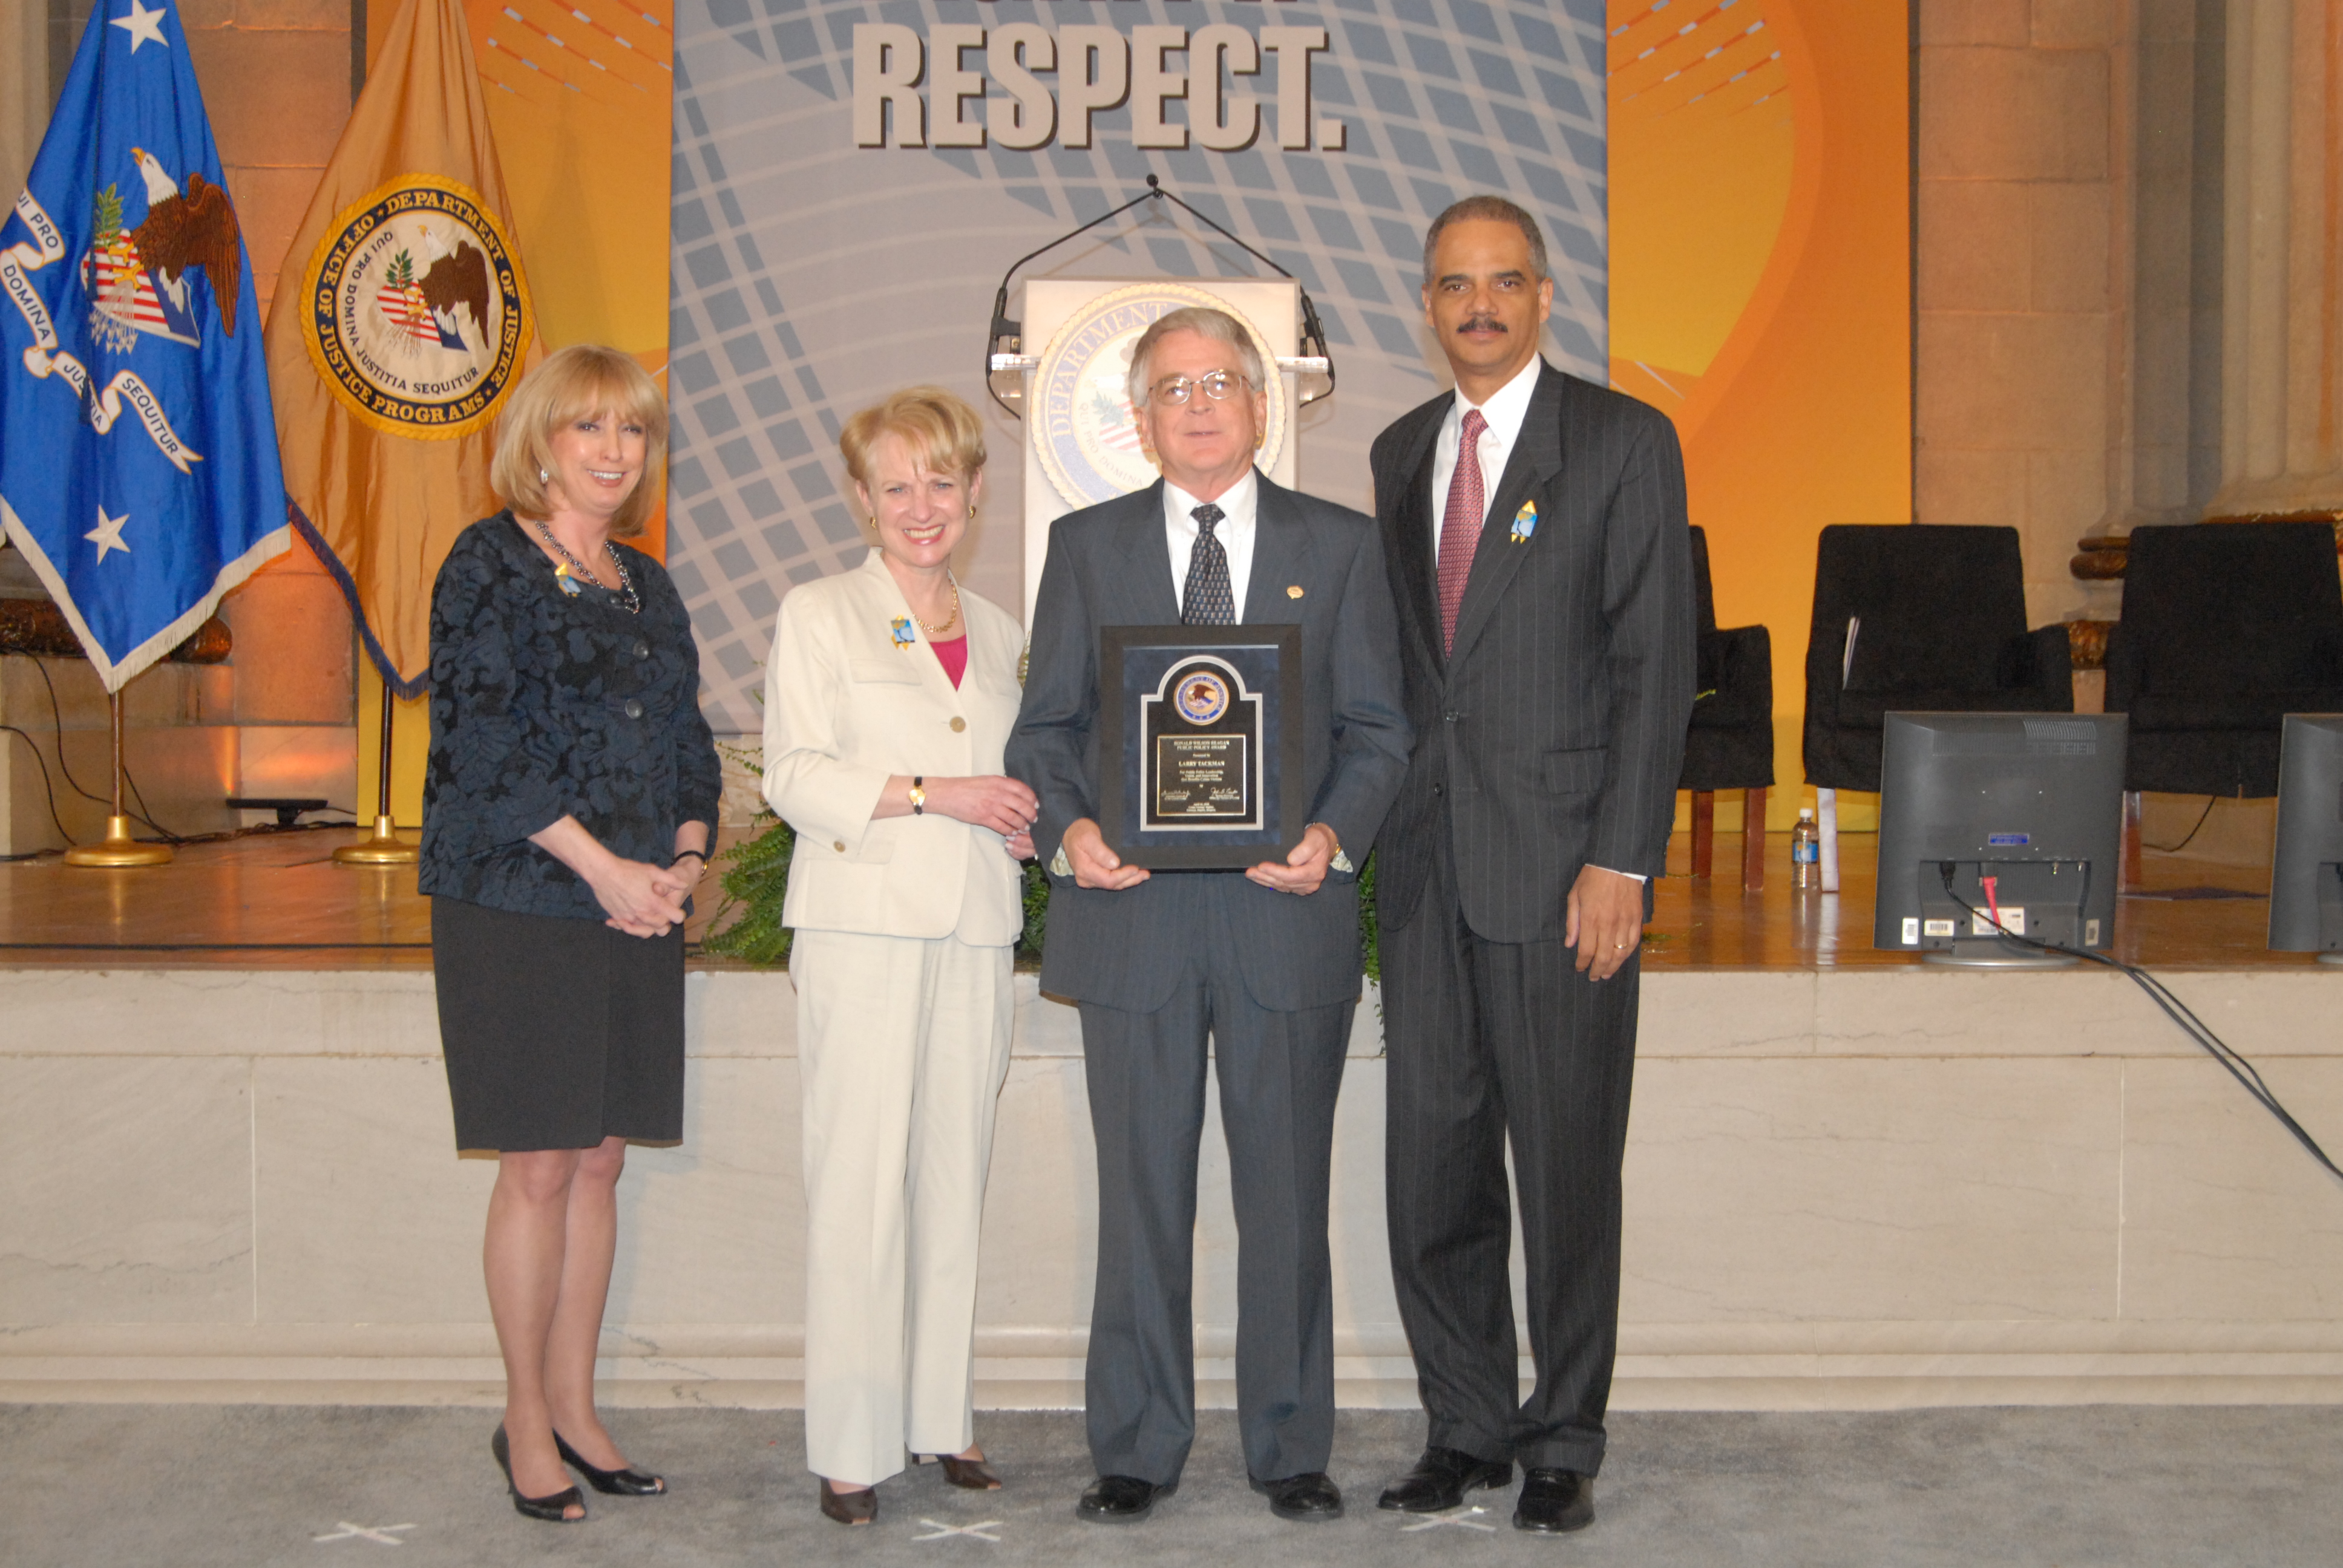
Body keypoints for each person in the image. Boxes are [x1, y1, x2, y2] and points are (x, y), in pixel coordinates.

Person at [1008, 307, 1411, 1526]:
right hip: (1131, 921)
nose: (1198, 404)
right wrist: (1071, 830)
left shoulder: (1340, 547)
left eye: (1220, 382)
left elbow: (1378, 731)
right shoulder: (1086, 547)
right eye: (1174, 388)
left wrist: (1331, 837)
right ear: (1141, 420)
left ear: (1261, 405)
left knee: (1286, 1197)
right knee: (1141, 1198)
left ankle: (1290, 1446)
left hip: (1282, 919)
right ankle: (1136, 1444)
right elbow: (1046, 728)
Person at [1367, 196, 1694, 1534]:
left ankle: (1562, 1437)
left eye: (1505, 282)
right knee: (1434, 1167)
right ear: (1427, 307)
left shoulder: (1621, 442)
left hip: (1567, 875)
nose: (1480, 306)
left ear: (1546, 298)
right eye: (1455, 285)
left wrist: (1623, 858)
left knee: (1564, 1168)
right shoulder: (1399, 451)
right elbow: (1407, 678)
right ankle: (1466, 1425)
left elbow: (1656, 665)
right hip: (1426, 870)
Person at [422, 343, 720, 1523]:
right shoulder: (486, 562)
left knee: (602, 1158)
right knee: (541, 1163)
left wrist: (683, 865)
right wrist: (603, 871)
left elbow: (688, 743)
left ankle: (578, 1407)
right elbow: (482, 747)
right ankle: (525, 1420)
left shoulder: (649, 582)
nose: (613, 450)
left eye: (632, 430)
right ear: (540, 442)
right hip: (522, 898)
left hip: (639, 901)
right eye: (588, 426)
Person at [758, 387, 1037, 1527]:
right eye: (896, 486)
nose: (922, 506)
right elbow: (793, 775)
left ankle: (940, 1416)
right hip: (863, 925)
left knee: (953, 1179)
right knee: (859, 1185)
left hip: (975, 925)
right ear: (862, 500)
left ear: (976, 491)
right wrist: (938, 794)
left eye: (942, 482)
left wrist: (1024, 822)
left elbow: (1011, 776)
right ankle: (851, 1444)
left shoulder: (1005, 632)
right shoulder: (820, 613)